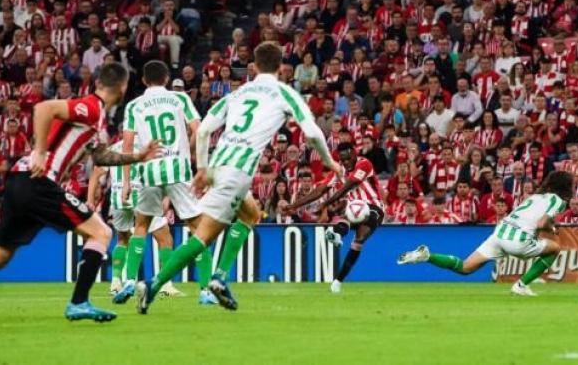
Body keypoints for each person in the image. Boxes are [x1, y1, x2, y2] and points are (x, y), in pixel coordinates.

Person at [135, 42, 340, 312]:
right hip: (237, 173)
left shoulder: (237, 93)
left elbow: (206, 130)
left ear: (254, 65)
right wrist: (330, 162)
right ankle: (152, 286)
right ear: (281, 67)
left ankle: (219, 277)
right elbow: (312, 134)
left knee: (251, 215)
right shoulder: (283, 92)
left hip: (219, 164)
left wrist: (203, 169)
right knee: (203, 237)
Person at [0, 63, 161, 322]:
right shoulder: (91, 106)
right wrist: (39, 151)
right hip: (38, 181)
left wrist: (137, 156)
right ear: (123, 87)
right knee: (101, 232)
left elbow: (100, 156)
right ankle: (79, 302)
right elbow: (44, 108)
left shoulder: (97, 119)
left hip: (20, 182)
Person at [112, 60, 213, 305]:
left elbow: (127, 147)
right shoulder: (180, 100)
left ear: (144, 81)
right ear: (167, 79)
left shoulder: (134, 106)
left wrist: (126, 182)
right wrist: (201, 167)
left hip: (148, 172)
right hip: (177, 170)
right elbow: (200, 131)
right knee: (200, 230)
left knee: (141, 227)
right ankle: (206, 290)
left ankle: (127, 281)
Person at [398, 171, 574, 297]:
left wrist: (547, 226)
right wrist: (550, 227)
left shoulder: (535, 197)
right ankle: (521, 286)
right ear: (566, 187)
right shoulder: (558, 201)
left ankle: (427, 256)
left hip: (500, 232)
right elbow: (541, 222)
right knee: (555, 248)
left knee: (465, 267)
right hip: (518, 240)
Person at [86, 139, 188, 300]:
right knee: (165, 238)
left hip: (118, 198)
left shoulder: (114, 148)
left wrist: (90, 200)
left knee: (122, 239)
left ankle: (115, 282)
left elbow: (95, 175)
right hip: (139, 195)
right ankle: (166, 285)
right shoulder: (145, 146)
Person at [282, 141, 385, 293]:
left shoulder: (364, 164)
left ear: (354, 154)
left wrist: (326, 204)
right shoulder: (339, 170)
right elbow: (319, 191)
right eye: (342, 160)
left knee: (359, 238)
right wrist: (294, 205)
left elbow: (348, 186)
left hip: (374, 207)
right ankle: (337, 280)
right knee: (350, 214)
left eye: (348, 158)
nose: (345, 162)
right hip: (354, 208)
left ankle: (337, 234)